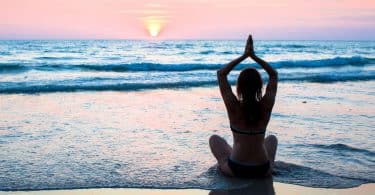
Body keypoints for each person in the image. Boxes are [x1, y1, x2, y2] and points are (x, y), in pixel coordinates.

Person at [209, 35, 278, 178]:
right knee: (272, 139)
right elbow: (273, 74)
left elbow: (221, 74)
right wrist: (254, 56)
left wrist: (244, 56)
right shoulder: (265, 106)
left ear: (239, 86)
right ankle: (269, 164)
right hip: (263, 169)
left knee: (214, 140)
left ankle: (232, 156)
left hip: (236, 169)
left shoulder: (233, 107)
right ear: (259, 86)